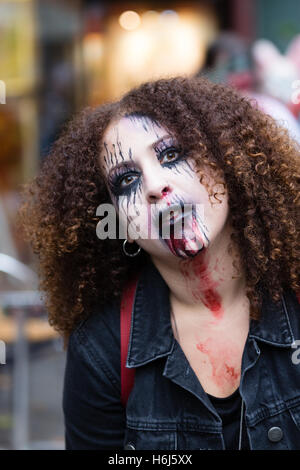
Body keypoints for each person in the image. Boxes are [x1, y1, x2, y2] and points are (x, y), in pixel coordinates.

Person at [17, 76, 300, 450]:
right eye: (127, 180)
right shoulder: (101, 349)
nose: (154, 185)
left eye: (171, 155)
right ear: (120, 223)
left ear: (226, 165)